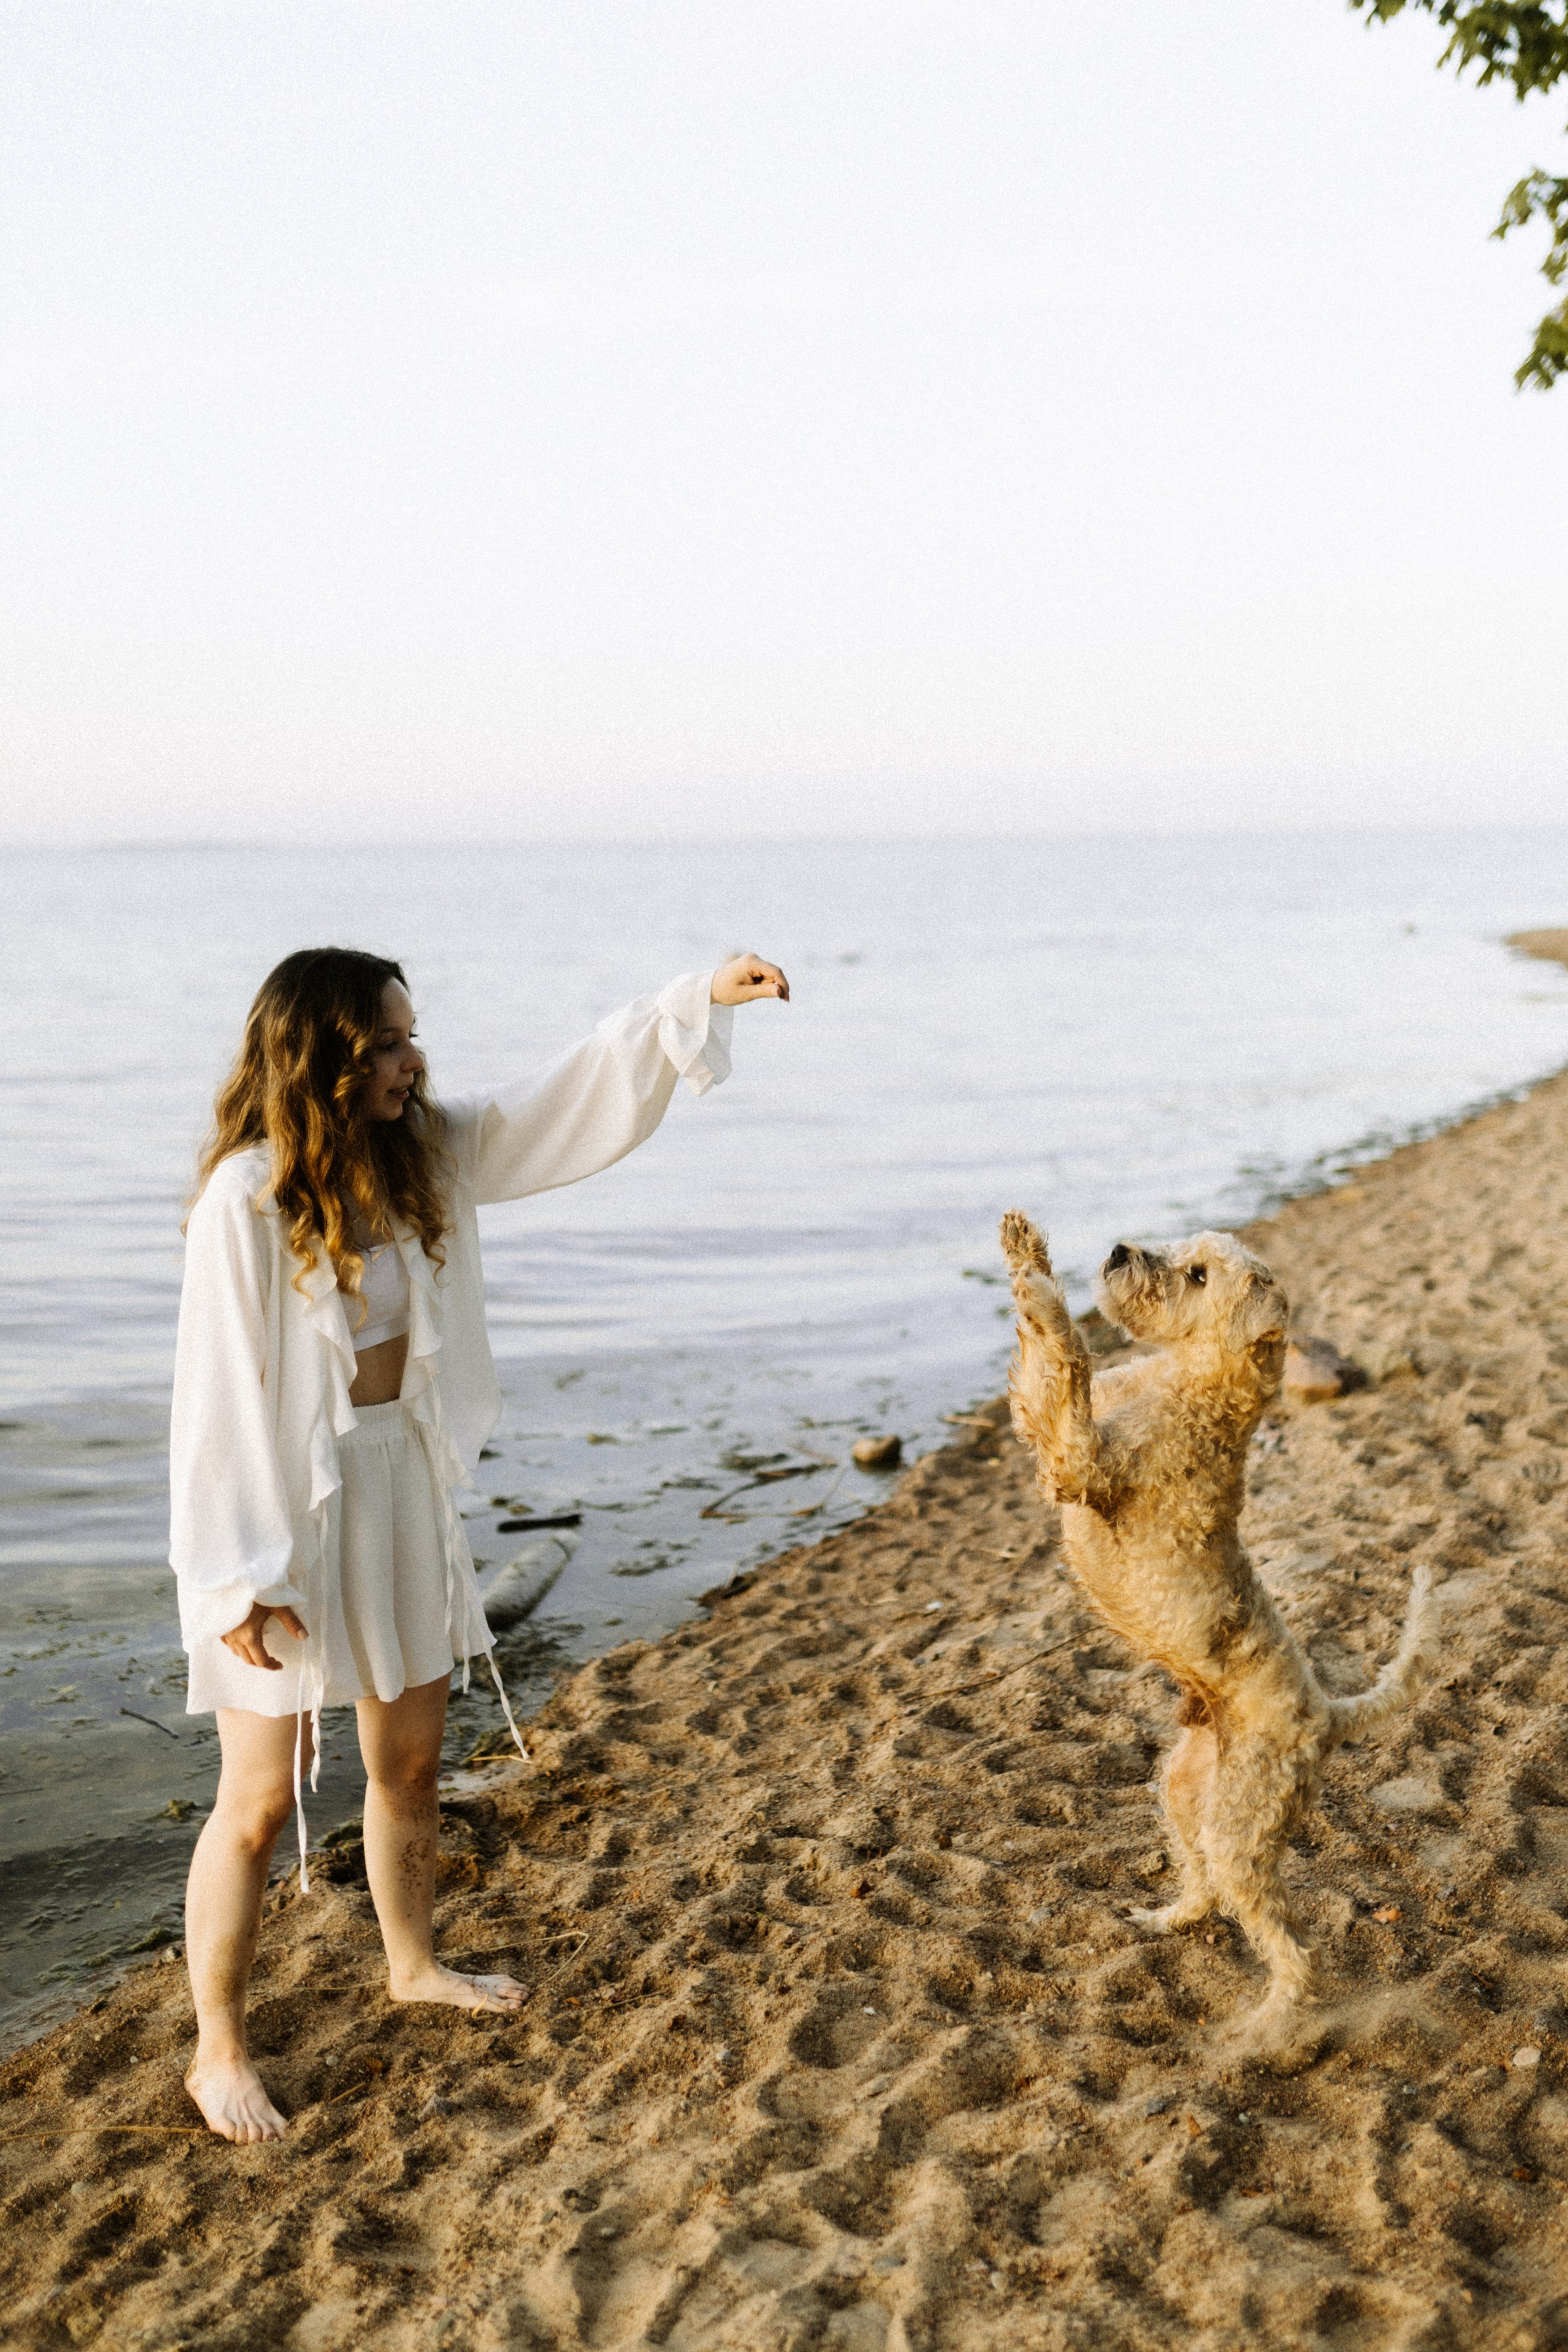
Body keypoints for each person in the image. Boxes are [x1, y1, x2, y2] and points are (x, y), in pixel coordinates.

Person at [170, 945, 788, 2143]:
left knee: (406, 1767)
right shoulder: (247, 1198)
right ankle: (219, 2047)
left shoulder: (418, 1156)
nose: (415, 1059)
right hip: (284, 1508)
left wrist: (686, 1006)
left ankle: (412, 1964)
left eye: (412, 1036)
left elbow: (552, 1108)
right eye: (391, 1043)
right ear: (327, 1058)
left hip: (398, 1482)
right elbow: (214, 1406)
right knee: (254, 1803)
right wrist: (241, 1575)